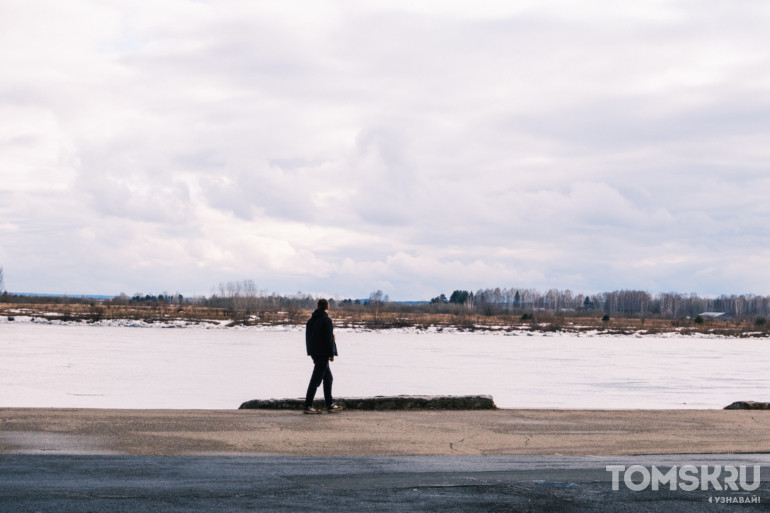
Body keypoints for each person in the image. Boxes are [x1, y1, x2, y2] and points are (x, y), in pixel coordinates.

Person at [304, 298, 342, 414]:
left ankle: (329, 403)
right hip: (323, 354)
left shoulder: (311, 321)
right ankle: (308, 406)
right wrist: (331, 354)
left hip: (315, 353)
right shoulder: (326, 320)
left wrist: (311, 352)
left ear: (317, 306)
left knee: (328, 378)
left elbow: (309, 338)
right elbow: (328, 339)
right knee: (315, 380)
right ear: (327, 307)